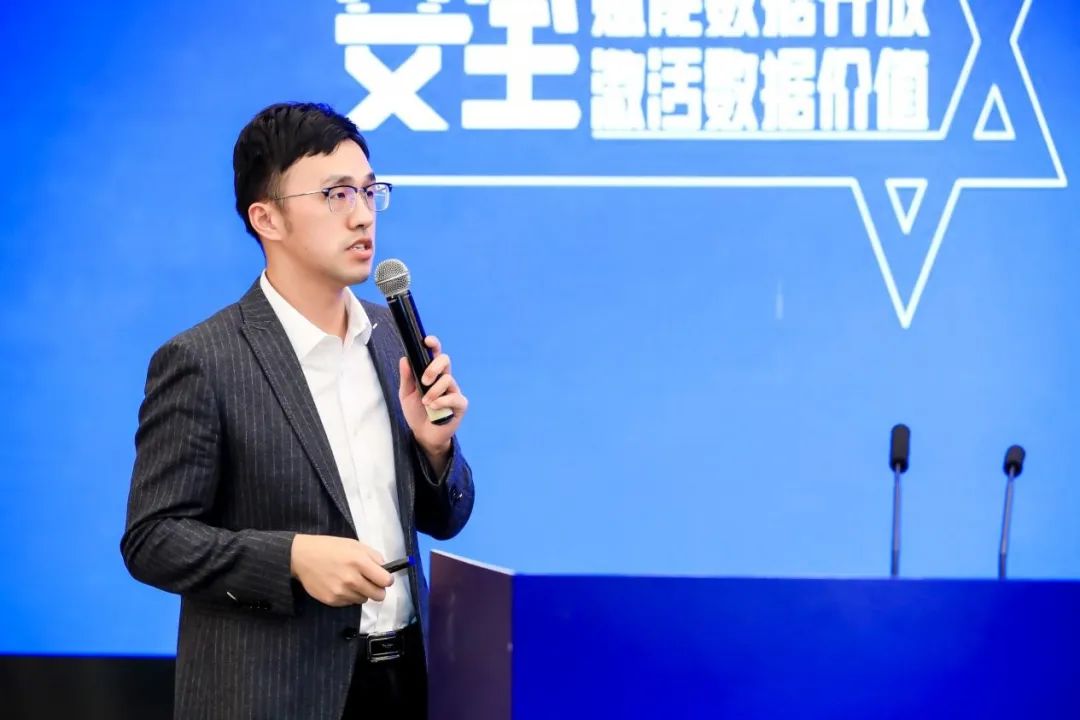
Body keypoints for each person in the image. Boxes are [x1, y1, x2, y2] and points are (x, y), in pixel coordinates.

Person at [121, 101, 474, 719]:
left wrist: (435, 448)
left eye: (369, 191)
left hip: (407, 680)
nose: (362, 215)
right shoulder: (203, 360)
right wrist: (291, 559)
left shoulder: (393, 339)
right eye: (336, 195)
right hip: (275, 693)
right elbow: (153, 539)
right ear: (267, 219)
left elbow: (445, 521)